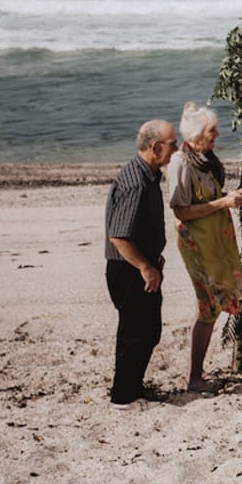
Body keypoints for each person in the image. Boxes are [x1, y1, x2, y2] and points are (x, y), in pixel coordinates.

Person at [166, 102, 242, 393]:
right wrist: (223, 202)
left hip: (216, 238)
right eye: (212, 130)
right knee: (208, 305)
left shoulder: (205, 158)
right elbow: (181, 210)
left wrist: (231, 196)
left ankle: (196, 373)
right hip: (198, 244)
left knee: (214, 305)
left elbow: (209, 197)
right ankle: (194, 377)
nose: (217, 134)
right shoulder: (180, 162)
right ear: (196, 134)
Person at [104, 119, 176, 410]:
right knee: (136, 333)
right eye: (172, 144)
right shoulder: (135, 182)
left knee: (147, 330)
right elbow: (119, 236)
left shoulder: (149, 176)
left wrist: (153, 256)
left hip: (141, 264)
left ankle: (133, 386)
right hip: (129, 269)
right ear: (155, 147)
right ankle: (123, 397)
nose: (176, 150)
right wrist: (145, 267)